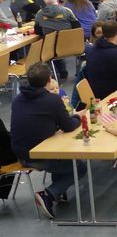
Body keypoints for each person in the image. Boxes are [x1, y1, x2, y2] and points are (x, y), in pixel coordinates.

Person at [10, 62, 84, 219]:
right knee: (80, 167)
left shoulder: (18, 100)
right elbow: (69, 126)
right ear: (49, 80)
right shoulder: (52, 100)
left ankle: (59, 193)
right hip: (40, 155)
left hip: (20, 153)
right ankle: (49, 194)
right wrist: (78, 116)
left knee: (62, 154)